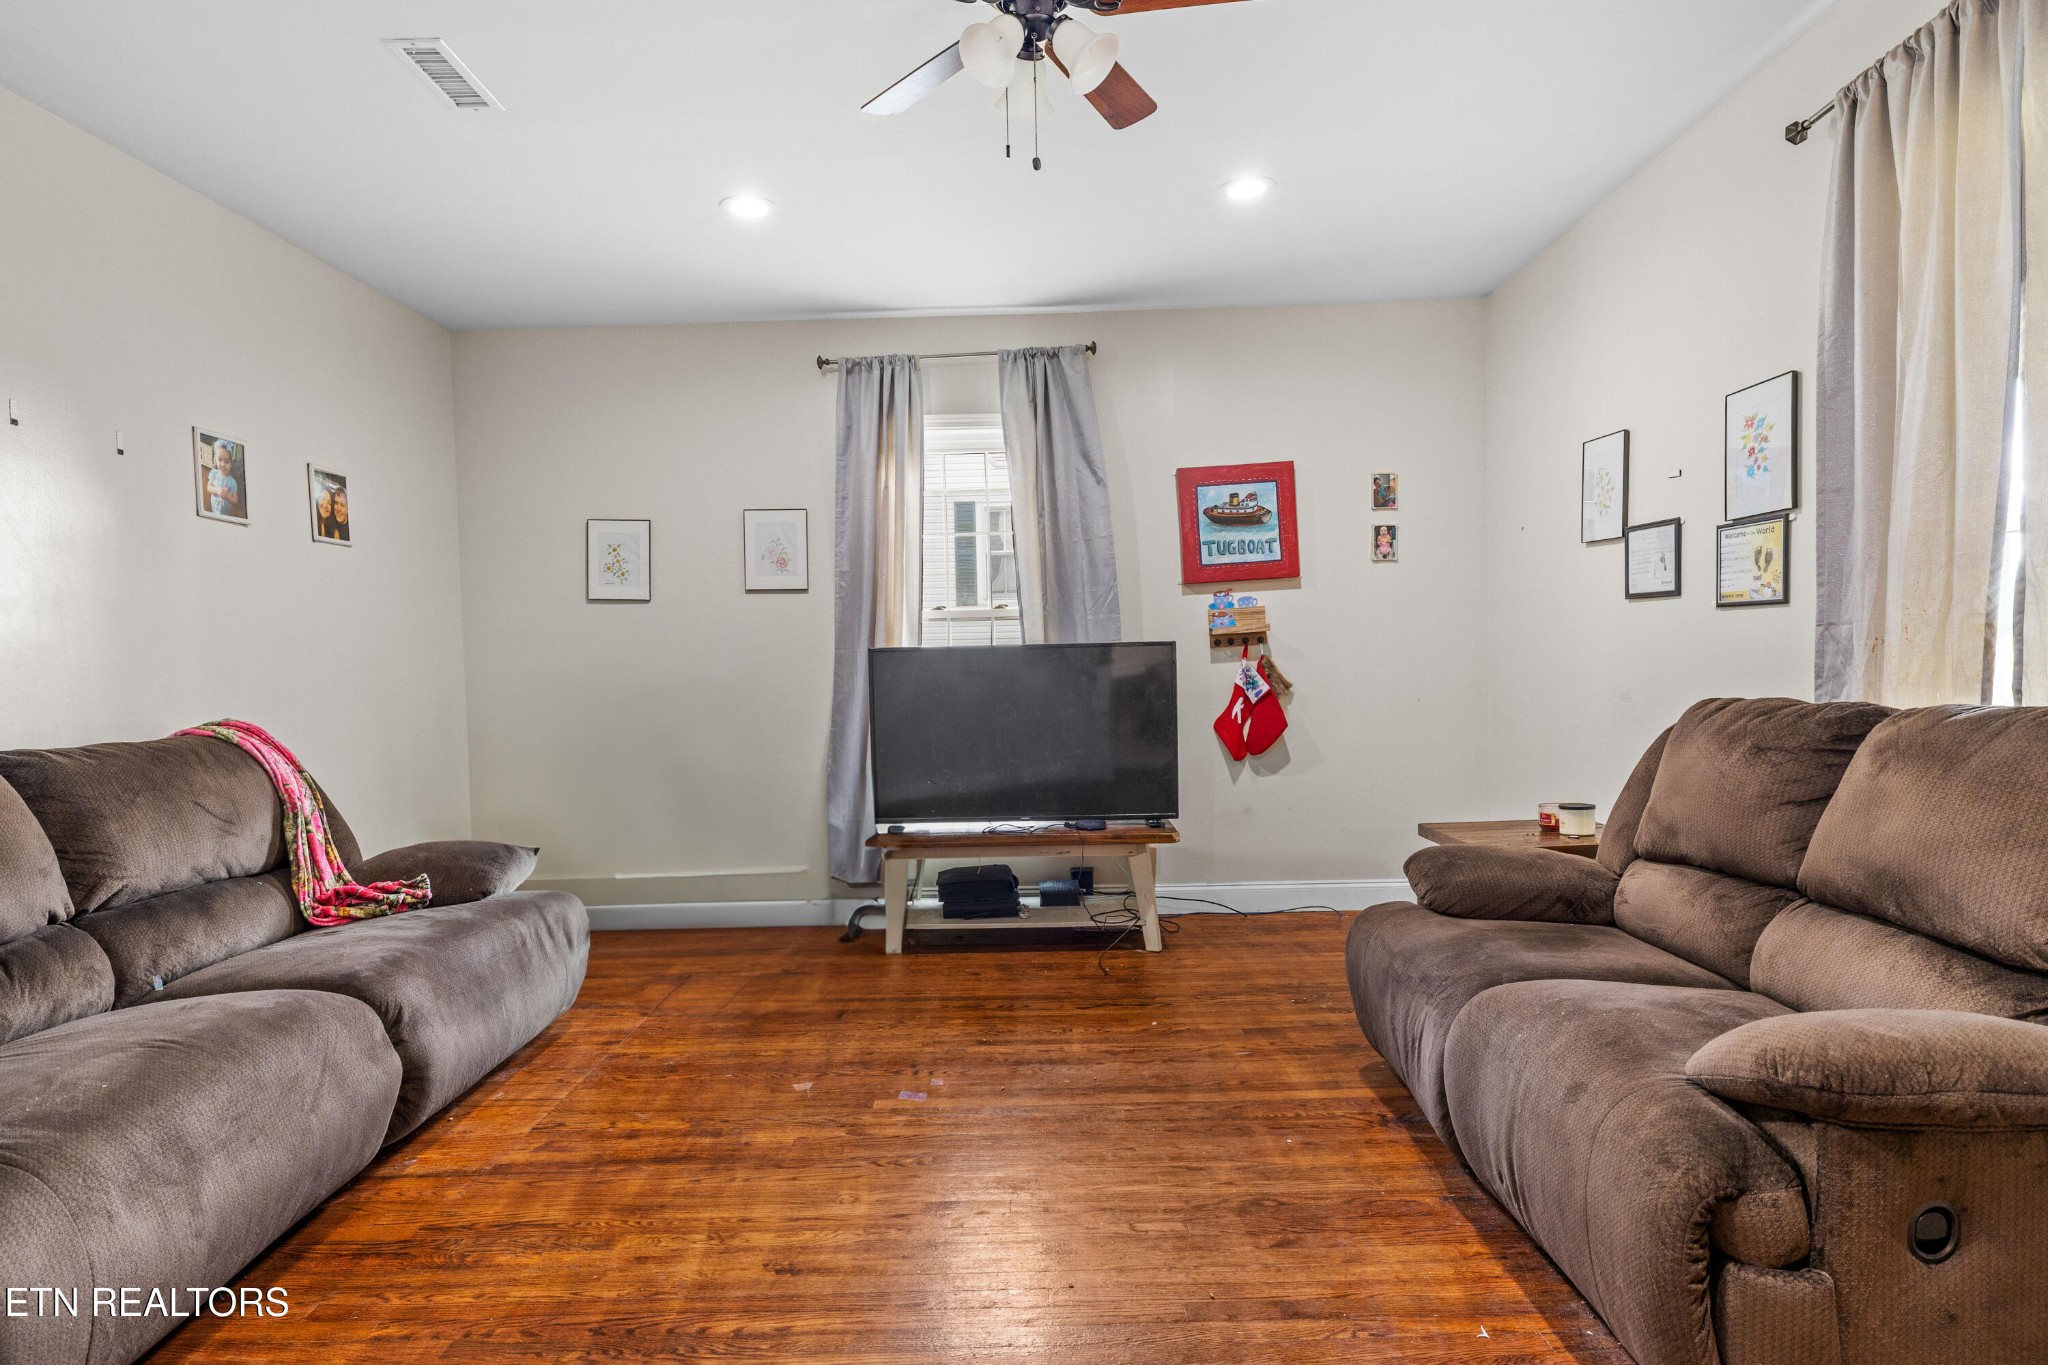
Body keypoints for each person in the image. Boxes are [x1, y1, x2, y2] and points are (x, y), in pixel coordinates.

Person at [205, 442, 240, 519]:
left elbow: (236, 500)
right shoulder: (214, 473)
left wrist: (228, 497)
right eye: (220, 460)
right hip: (214, 506)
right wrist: (217, 490)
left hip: (226, 512)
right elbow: (208, 487)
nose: (222, 464)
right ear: (215, 460)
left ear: (231, 463)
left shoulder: (233, 482)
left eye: (226, 461)